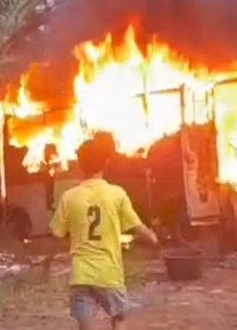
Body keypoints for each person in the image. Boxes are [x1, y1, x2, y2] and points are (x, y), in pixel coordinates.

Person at [50, 139, 159, 330]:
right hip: (109, 274)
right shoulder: (117, 194)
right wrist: (153, 238)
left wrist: (47, 261)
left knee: (86, 325)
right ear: (106, 162)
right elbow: (136, 227)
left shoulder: (69, 197)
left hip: (81, 275)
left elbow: (57, 235)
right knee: (119, 318)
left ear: (79, 164)